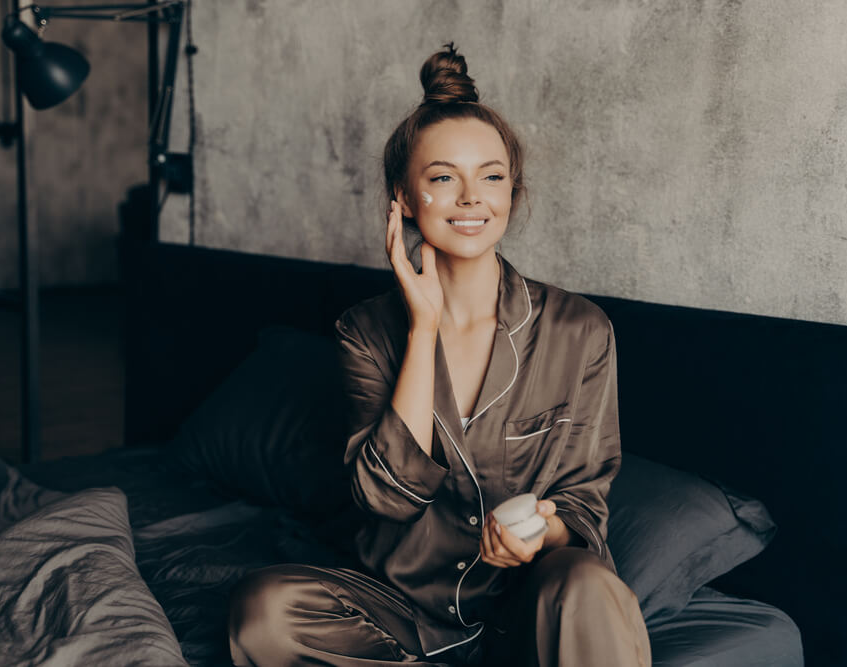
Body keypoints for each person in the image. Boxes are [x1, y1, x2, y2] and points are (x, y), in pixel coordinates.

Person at [228, 43, 651, 667]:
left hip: (525, 606)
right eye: (444, 177)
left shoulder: (580, 331)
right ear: (403, 197)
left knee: (587, 586)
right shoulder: (366, 331)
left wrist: (535, 536)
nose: (472, 197)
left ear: (514, 189)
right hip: (398, 607)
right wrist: (423, 326)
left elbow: (583, 505)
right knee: (264, 612)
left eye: (492, 176)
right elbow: (387, 500)